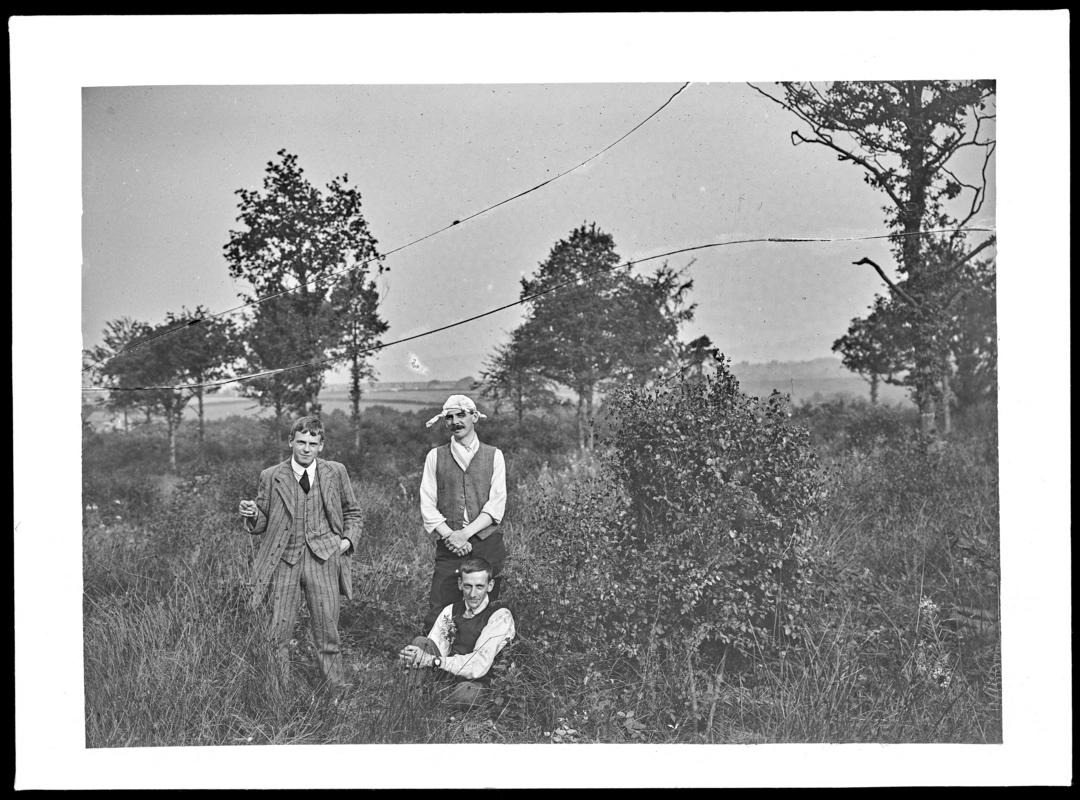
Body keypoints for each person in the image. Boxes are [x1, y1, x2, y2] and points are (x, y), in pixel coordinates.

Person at [238, 415, 361, 693]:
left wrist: (345, 543)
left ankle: (336, 693)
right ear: (290, 442)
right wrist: (253, 514)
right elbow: (262, 523)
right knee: (277, 636)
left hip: (324, 561)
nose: (306, 448)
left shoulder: (335, 472)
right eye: (301, 442)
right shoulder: (271, 476)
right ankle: (277, 696)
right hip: (284, 561)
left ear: (321, 446)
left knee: (328, 634)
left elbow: (354, 512)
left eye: (313, 443)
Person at [420, 394, 508, 630]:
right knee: (440, 608)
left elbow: (496, 505)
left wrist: (465, 534)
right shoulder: (435, 456)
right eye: (449, 417)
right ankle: (435, 662)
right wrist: (451, 536)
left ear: (474, 417)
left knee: (489, 609)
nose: (455, 421)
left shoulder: (494, 455)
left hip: (486, 544)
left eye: (461, 415)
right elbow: (427, 504)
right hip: (449, 546)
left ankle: (485, 662)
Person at [398, 556, 516, 707]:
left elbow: (478, 665)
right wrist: (413, 657)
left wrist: (431, 660)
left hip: (476, 682)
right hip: (448, 676)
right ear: (460, 584)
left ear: (490, 585)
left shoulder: (500, 615)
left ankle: (436, 707)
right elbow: (435, 649)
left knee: (466, 693)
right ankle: (411, 705)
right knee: (421, 643)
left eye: (479, 586)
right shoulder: (451, 610)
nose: (473, 594)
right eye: (468, 586)